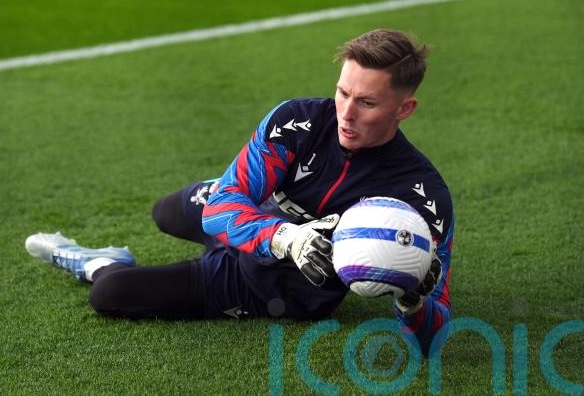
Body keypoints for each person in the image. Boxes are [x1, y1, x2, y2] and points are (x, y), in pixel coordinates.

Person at [26, 28, 453, 355]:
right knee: (165, 211)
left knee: (110, 294)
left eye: (367, 103)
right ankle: (249, 201)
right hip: (258, 219)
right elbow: (219, 210)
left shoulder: (422, 197)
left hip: (270, 284)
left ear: (404, 108)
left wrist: (414, 304)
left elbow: (434, 337)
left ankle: (99, 262)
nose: (346, 113)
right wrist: (286, 236)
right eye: (342, 92)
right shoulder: (298, 121)